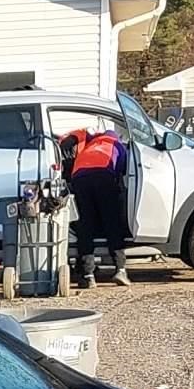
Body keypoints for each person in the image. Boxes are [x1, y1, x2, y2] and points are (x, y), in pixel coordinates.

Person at [59, 123, 131, 286]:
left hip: (80, 179)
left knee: (86, 226)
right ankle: (120, 269)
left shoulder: (89, 145)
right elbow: (122, 171)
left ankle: (88, 275)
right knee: (112, 223)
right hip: (104, 177)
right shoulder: (117, 145)